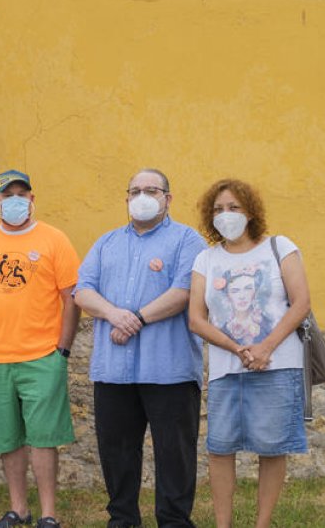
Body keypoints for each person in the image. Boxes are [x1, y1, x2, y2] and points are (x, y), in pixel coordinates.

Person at [74, 169, 207, 528]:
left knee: (175, 454)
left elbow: (184, 292)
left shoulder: (187, 241)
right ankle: (122, 520)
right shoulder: (107, 243)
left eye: (152, 190)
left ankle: (174, 521)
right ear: (127, 197)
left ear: (168, 198)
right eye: (136, 190)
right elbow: (82, 289)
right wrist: (114, 314)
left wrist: (136, 319)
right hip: (114, 370)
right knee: (116, 454)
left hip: (170, 370)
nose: (143, 196)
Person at [0, 170, 81, 528]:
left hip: (42, 357)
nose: (15, 201)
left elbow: (72, 298)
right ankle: (18, 510)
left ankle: (49, 515)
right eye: (7, 196)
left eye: (22, 194)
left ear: (32, 199)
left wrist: (63, 351)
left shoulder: (54, 240)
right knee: (7, 437)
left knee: (42, 438)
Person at [187, 179, 310, 528]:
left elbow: (301, 302)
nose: (226, 215)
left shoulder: (279, 247)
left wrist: (265, 347)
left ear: (251, 211)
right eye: (218, 209)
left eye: (234, 207)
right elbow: (196, 318)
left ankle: (262, 523)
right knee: (220, 447)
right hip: (228, 368)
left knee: (273, 447)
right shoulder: (205, 258)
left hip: (277, 366)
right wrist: (238, 349)